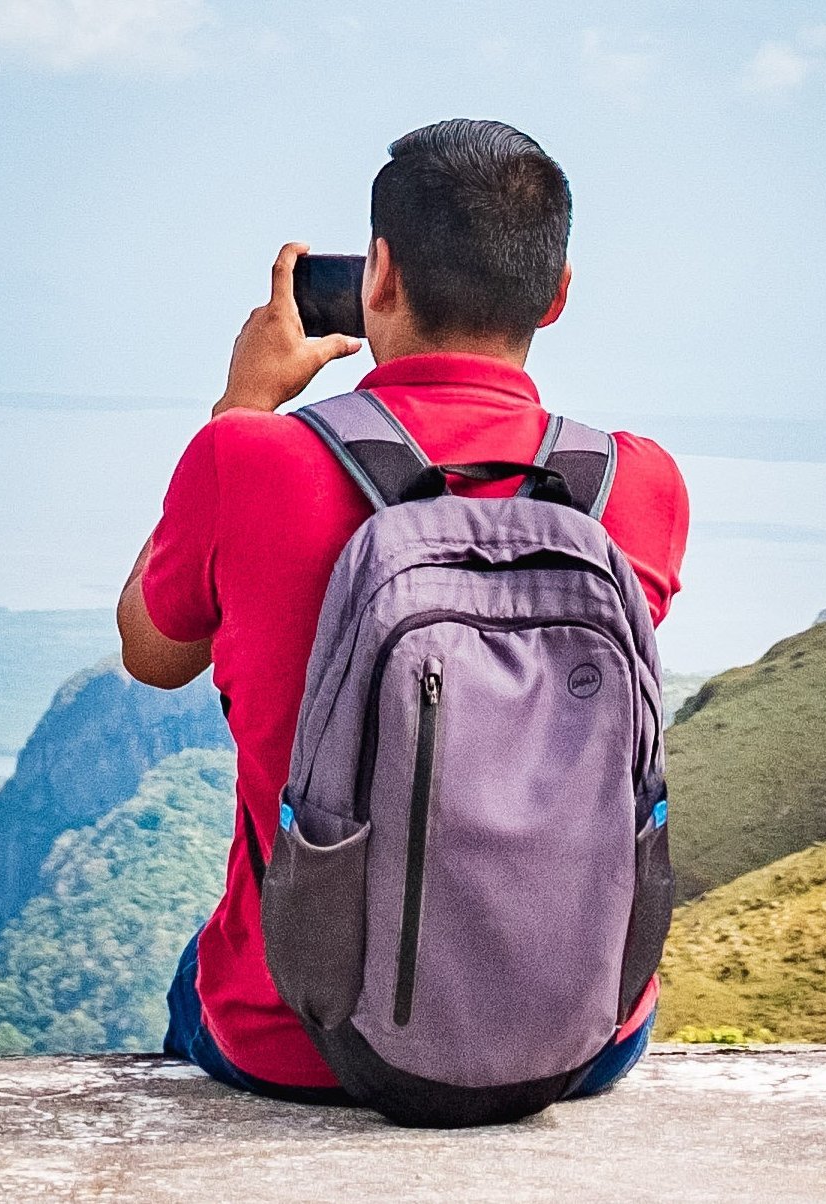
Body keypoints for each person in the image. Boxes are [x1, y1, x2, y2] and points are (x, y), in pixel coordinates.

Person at [117, 119, 689, 1105]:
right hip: (580, 1036)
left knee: (196, 979)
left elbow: (151, 650)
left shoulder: (248, 461)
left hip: (299, 1041)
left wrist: (239, 408)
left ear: (378, 277)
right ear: (555, 295)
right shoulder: (633, 485)